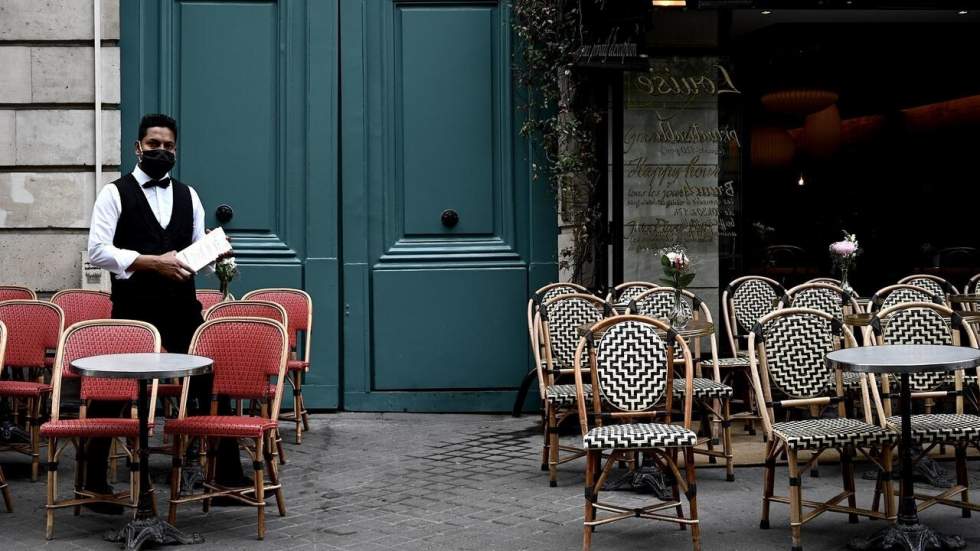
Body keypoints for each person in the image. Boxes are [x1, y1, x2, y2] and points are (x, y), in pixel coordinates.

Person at [85, 113, 242, 511]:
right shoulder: (114, 193)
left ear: (175, 151)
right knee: (112, 394)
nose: (161, 151)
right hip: (134, 311)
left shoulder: (189, 195)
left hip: (181, 308)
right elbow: (98, 251)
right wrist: (151, 262)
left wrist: (213, 254)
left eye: (168, 146)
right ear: (138, 148)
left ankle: (226, 477)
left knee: (209, 383)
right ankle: (94, 483)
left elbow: (191, 253)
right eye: (154, 144)